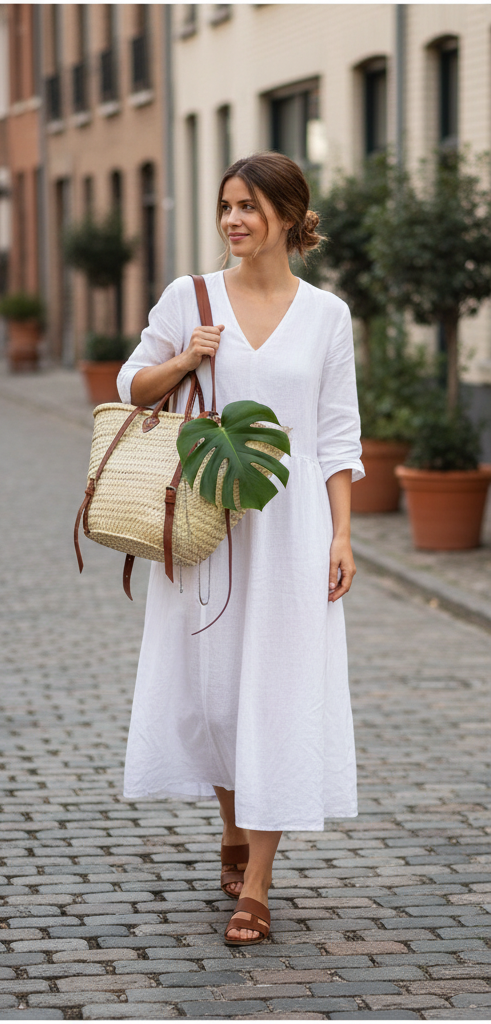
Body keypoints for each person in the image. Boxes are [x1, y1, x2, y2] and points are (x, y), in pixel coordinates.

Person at [117, 151, 364, 946]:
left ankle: (255, 883)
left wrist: (344, 532)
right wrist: (187, 357)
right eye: (227, 205)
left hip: (293, 528)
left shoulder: (327, 315)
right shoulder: (188, 297)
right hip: (207, 516)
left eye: (251, 207)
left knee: (278, 694)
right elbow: (132, 387)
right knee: (216, 694)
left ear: (289, 218)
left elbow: (335, 433)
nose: (234, 220)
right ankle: (232, 826)